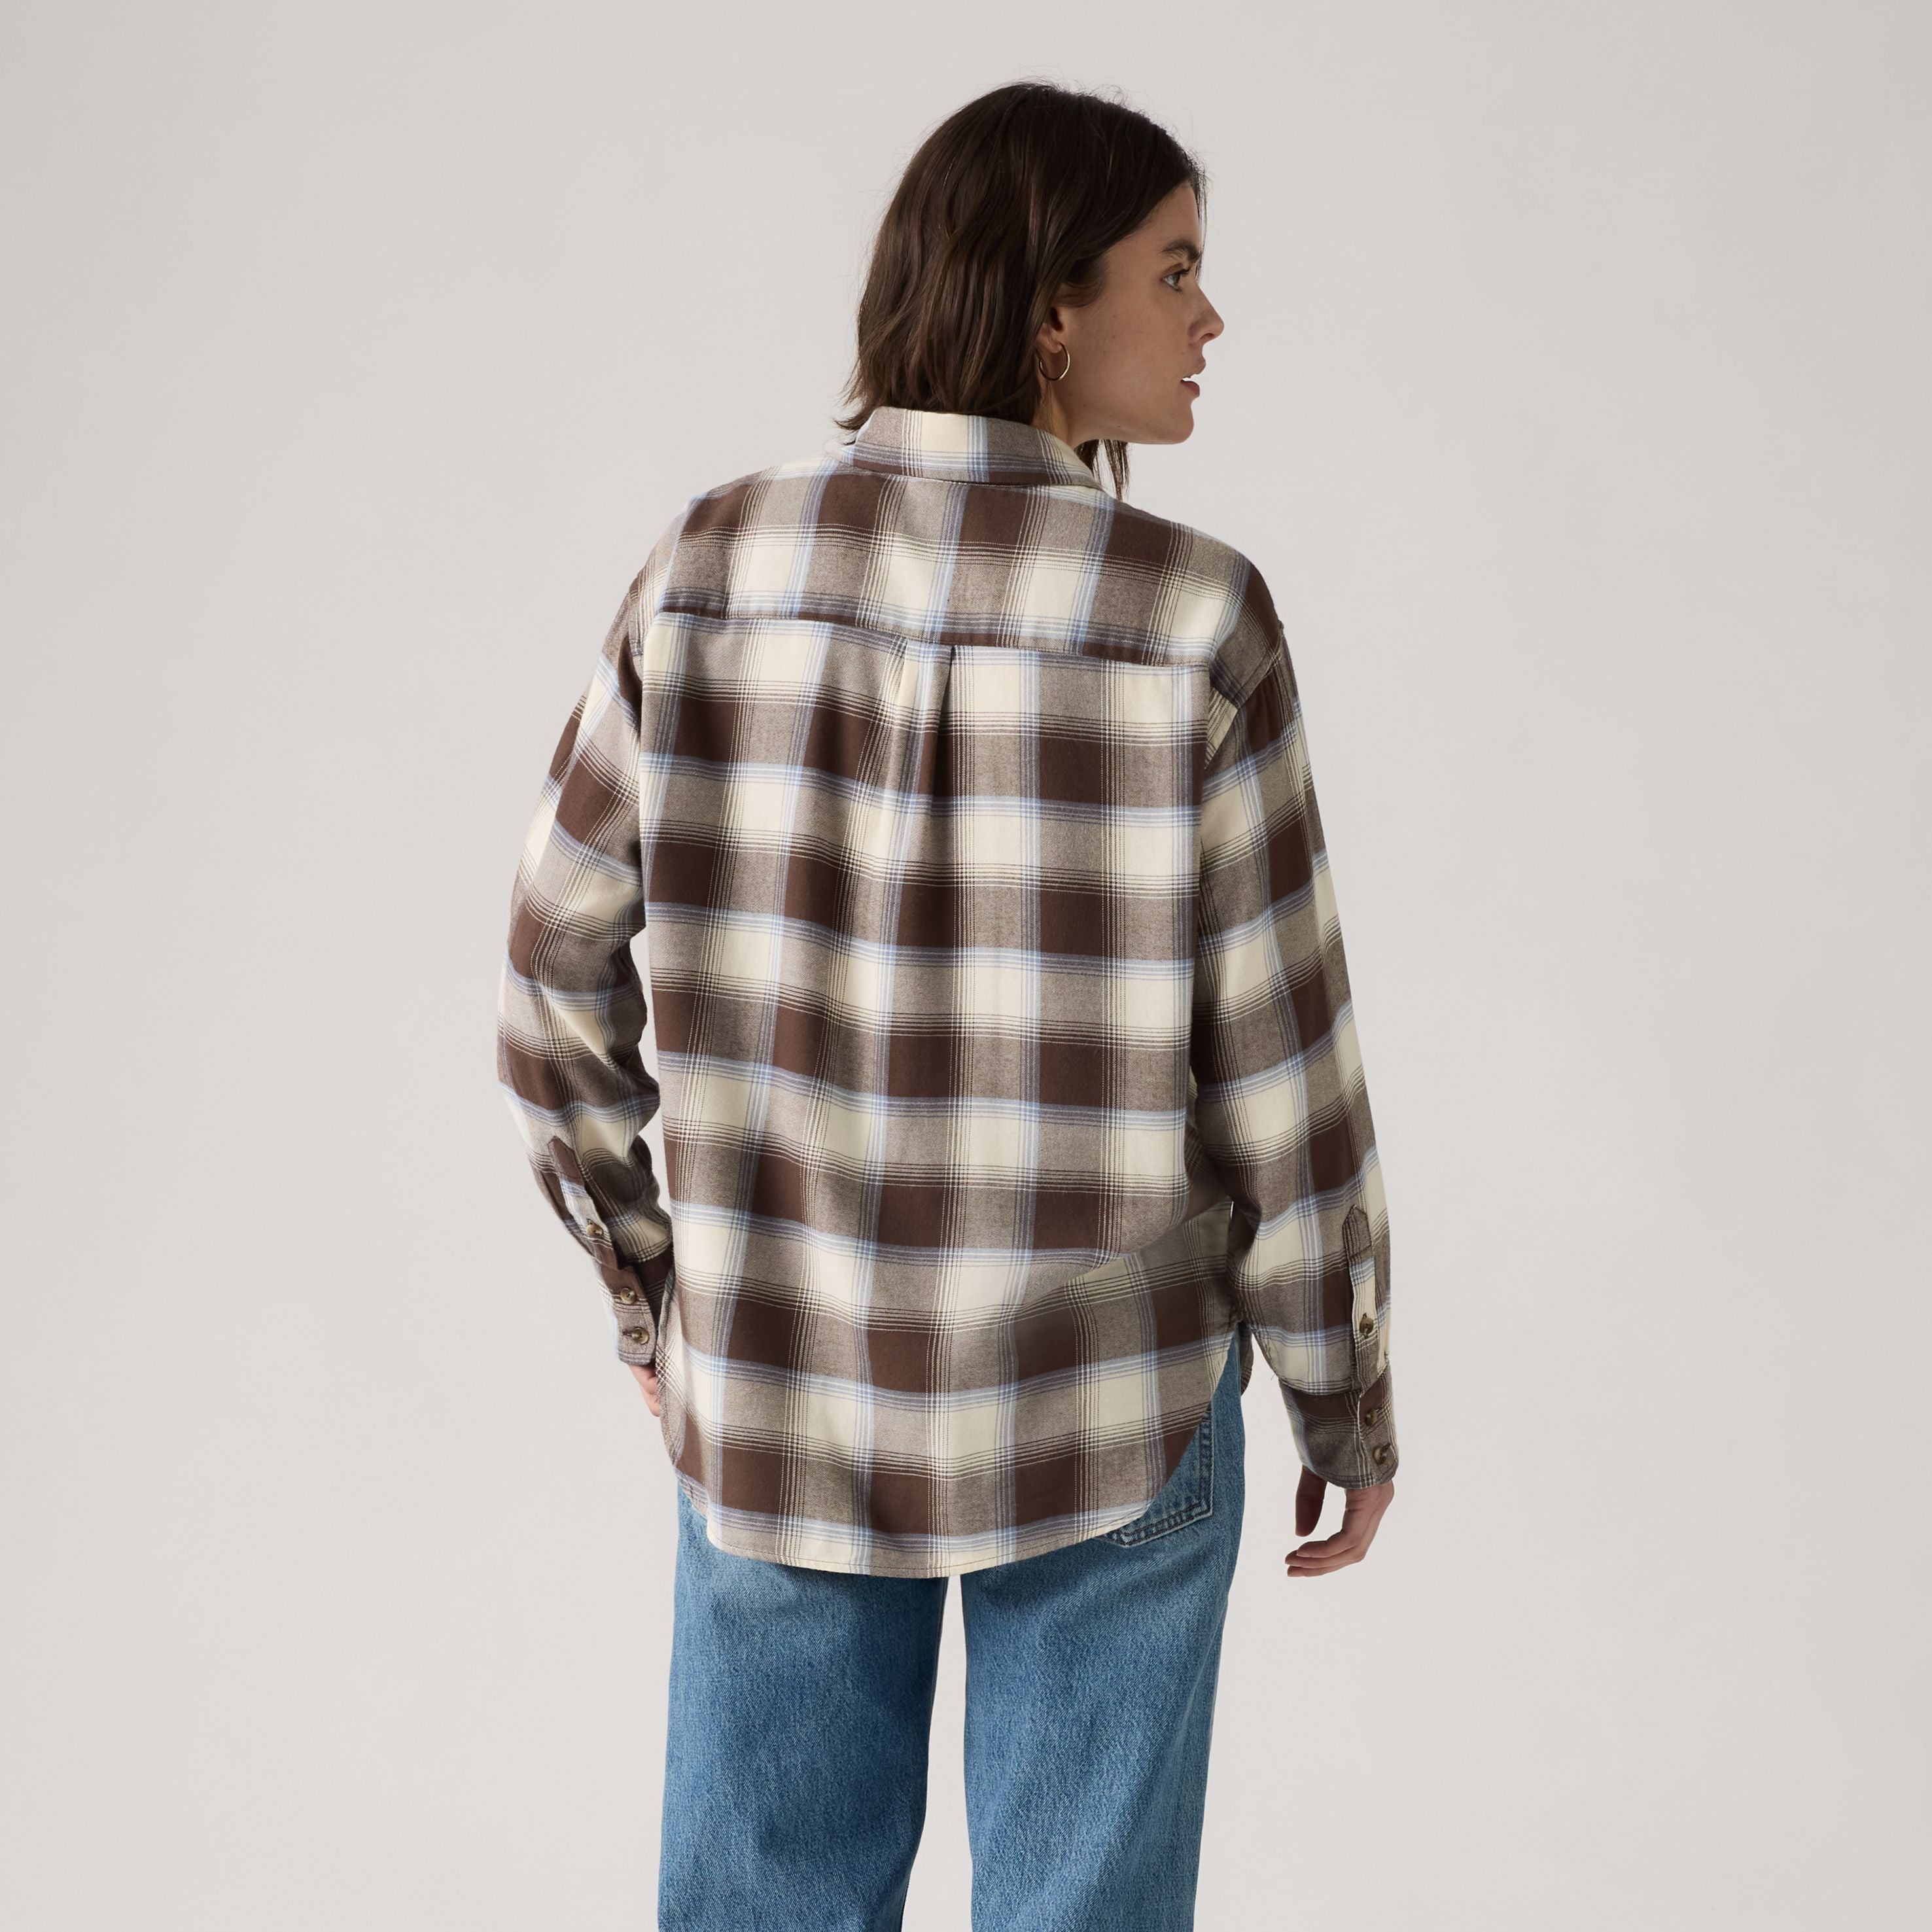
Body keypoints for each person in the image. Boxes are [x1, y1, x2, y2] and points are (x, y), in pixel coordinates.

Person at [495, 78, 1397, 1932]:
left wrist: (655, 1286)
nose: (1211, 318)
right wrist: (1344, 1395)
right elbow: (1282, 1074)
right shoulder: (1194, 619)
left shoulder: (710, 569)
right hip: (1109, 1404)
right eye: (1175, 271)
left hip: (780, 1388)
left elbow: (550, 964)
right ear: (1051, 308)